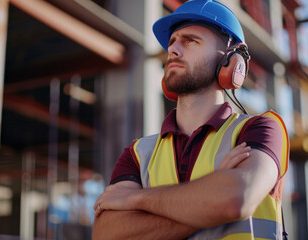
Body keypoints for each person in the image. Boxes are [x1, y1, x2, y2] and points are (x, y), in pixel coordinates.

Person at [93, 0, 289, 239]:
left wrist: (136, 199)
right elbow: (106, 234)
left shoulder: (259, 130)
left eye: (190, 41)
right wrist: (211, 192)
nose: (173, 50)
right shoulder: (138, 153)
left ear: (231, 62)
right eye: (173, 42)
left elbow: (235, 201)